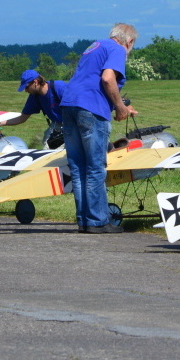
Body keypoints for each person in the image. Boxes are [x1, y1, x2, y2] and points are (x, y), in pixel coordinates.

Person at [60, 24, 137, 234]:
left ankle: (84, 221)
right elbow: (107, 78)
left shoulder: (94, 46)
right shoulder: (117, 49)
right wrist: (119, 107)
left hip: (69, 105)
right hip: (91, 110)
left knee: (78, 167)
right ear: (129, 41)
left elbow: (90, 81)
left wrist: (121, 106)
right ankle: (98, 221)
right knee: (95, 167)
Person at [2, 69, 68, 149]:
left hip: (73, 123)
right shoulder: (34, 97)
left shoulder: (59, 88)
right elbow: (22, 118)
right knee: (48, 149)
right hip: (56, 126)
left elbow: (77, 107)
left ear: (35, 82)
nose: (26, 90)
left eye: (27, 87)